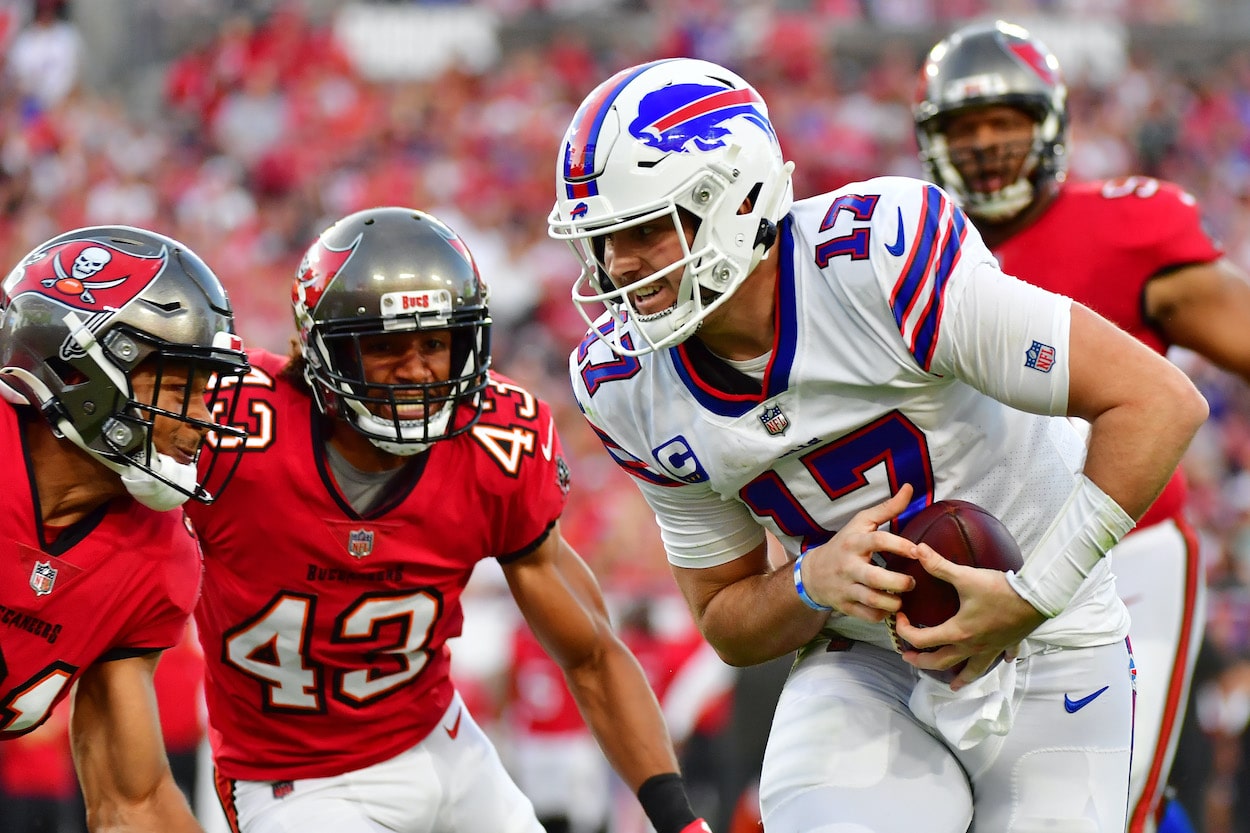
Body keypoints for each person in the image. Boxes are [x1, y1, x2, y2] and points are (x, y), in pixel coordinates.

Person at [548, 56, 1209, 832]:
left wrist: (1030, 597)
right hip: (865, 661)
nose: (621, 268)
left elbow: (1158, 400)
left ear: (739, 198)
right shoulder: (625, 383)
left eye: (647, 231)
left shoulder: (877, 260)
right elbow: (725, 617)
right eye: (604, 240)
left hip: (1048, 643)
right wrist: (805, 583)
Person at [184, 206, 711, 833]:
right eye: (385, 345)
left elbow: (592, 653)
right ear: (321, 348)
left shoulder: (498, 444)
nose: (417, 369)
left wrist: (680, 822)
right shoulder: (227, 428)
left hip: (446, 745)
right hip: (295, 779)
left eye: (435, 342)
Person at [912, 19, 1250, 833]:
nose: (989, 144)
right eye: (967, 126)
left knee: (1105, 792)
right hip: (979, 559)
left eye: (1008, 122)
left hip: (1122, 545)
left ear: (1052, 124)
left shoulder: (1125, 226)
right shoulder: (906, 245)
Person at [0, 225, 251, 832]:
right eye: (178, 383)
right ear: (76, 364)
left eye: (205, 389)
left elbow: (131, 802)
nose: (200, 419)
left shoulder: (156, 556)